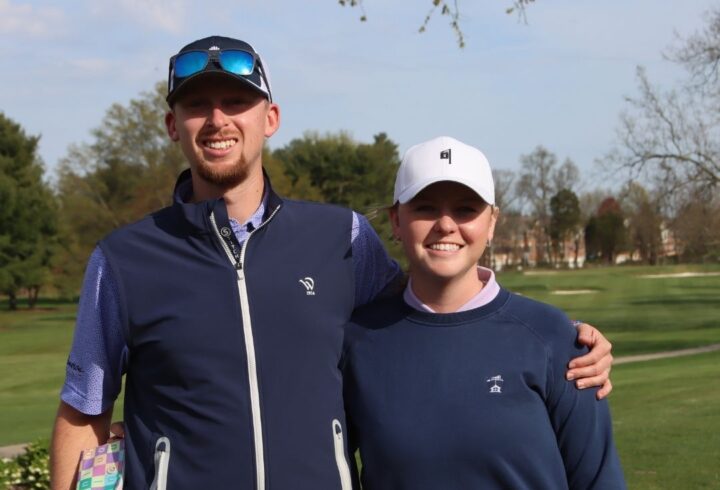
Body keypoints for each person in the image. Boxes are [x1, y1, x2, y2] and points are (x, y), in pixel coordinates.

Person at [50, 37, 614, 490]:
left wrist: (558, 338)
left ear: (269, 118)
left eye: (236, 103)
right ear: (174, 126)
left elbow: (430, 319)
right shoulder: (123, 260)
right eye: (197, 105)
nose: (218, 119)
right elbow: (83, 415)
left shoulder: (340, 236)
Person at [342, 136, 626, 489]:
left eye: (465, 209)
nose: (446, 224)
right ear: (396, 221)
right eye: (426, 207)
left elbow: (599, 480)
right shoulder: (358, 342)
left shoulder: (553, 338)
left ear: (492, 223)